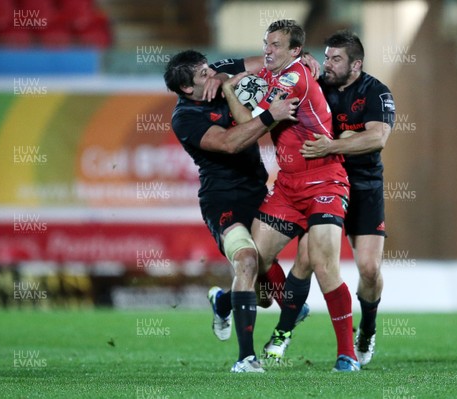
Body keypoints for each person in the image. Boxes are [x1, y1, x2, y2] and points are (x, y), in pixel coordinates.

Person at [220, 19, 360, 372]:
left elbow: (254, 119)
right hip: (287, 185)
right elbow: (247, 99)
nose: (268, 50)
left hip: (325, 182)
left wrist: (230, 89)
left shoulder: (294, 78)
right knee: (255, 260)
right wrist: (232, 82)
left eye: (276, 45)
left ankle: (347, 354)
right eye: (266, 43)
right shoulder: (274, 75)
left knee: (324, 265)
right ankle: (289, 310)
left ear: (295, 51)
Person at [163, 49, 299, 373]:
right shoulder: (185, 118)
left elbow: (270, 61)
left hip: (256, 190)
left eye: (210, 69)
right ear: (187, 89)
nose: (211, 75)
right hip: (221, 198)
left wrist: (300, 59)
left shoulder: (218, 73)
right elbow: (229, 143)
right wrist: (270, 115)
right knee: (247, 260)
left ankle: (223, 301)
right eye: (204, 76)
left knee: (262, 294)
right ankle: (246, 359)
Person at [300, 30, 395, 366]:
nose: (328, 64)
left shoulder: (376, 92)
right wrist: (300, 62)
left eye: (336, 59)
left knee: (369, 269)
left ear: (356, 64)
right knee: (307, 259)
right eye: (326, 57)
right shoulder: (317, 84)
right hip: (322, 184)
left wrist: (333, 145)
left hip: (364, 185)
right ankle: (285, 323)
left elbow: (376, 139)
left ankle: (367, 330)